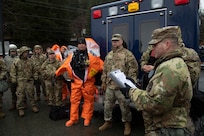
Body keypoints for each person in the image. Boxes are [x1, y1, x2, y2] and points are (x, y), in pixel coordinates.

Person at [120, 26, 193, 136]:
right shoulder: (173, 63)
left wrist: (131, 91)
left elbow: (155, 104)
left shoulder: (169, 68)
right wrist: (137, 87)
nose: (152, 49)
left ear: (167, 44)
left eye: (155, 45)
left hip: (167, 128)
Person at [55, 37, 104, 127]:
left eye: (83, 43)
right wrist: (57, 73)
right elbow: (65, 65)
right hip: (76, 83)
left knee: (88, 101)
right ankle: (73, 119)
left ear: (86, 45)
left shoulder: (92, 57)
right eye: (79, 43)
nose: (81, 45)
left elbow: (102, 66)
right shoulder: (72, 56)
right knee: (74, 101)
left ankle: (87, 118)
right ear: (77, 45)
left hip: (88, 83)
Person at [98, 34, 139, 136]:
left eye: (117, 41)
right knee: (107, 106)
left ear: (121, 42)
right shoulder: (109, 55)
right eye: (113, 41)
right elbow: (105, 70)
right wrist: (103, 82)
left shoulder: (127, 54)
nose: (114, 43)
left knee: (124, 107)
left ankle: (127, 124)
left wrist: (129, 83)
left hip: (121, 87)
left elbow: (133, 69)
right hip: (110, 86)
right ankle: (108, 122)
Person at [10, 46, 39, 117]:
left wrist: (35, 78)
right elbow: (13, 71)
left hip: (29, 80)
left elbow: (35, 70)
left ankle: (33, 106)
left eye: (27, 52)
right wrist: (14, 80)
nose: (26, 54)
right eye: (25, 52)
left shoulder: (30, 61)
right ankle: (20, 108)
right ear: (21, 53)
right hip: (20, 80)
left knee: (31, 94)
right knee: (20, 95)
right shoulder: (16, 61)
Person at [4, 44, 18, 110]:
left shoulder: (18, 58)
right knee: (13, 91)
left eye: (14, 51)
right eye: (12, 51)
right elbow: (4, 68)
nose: (13, 52)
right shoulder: (6, 58)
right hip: (10, 77)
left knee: (20, 91)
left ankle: (22, 103)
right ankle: (14, 104)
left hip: (18, 76)